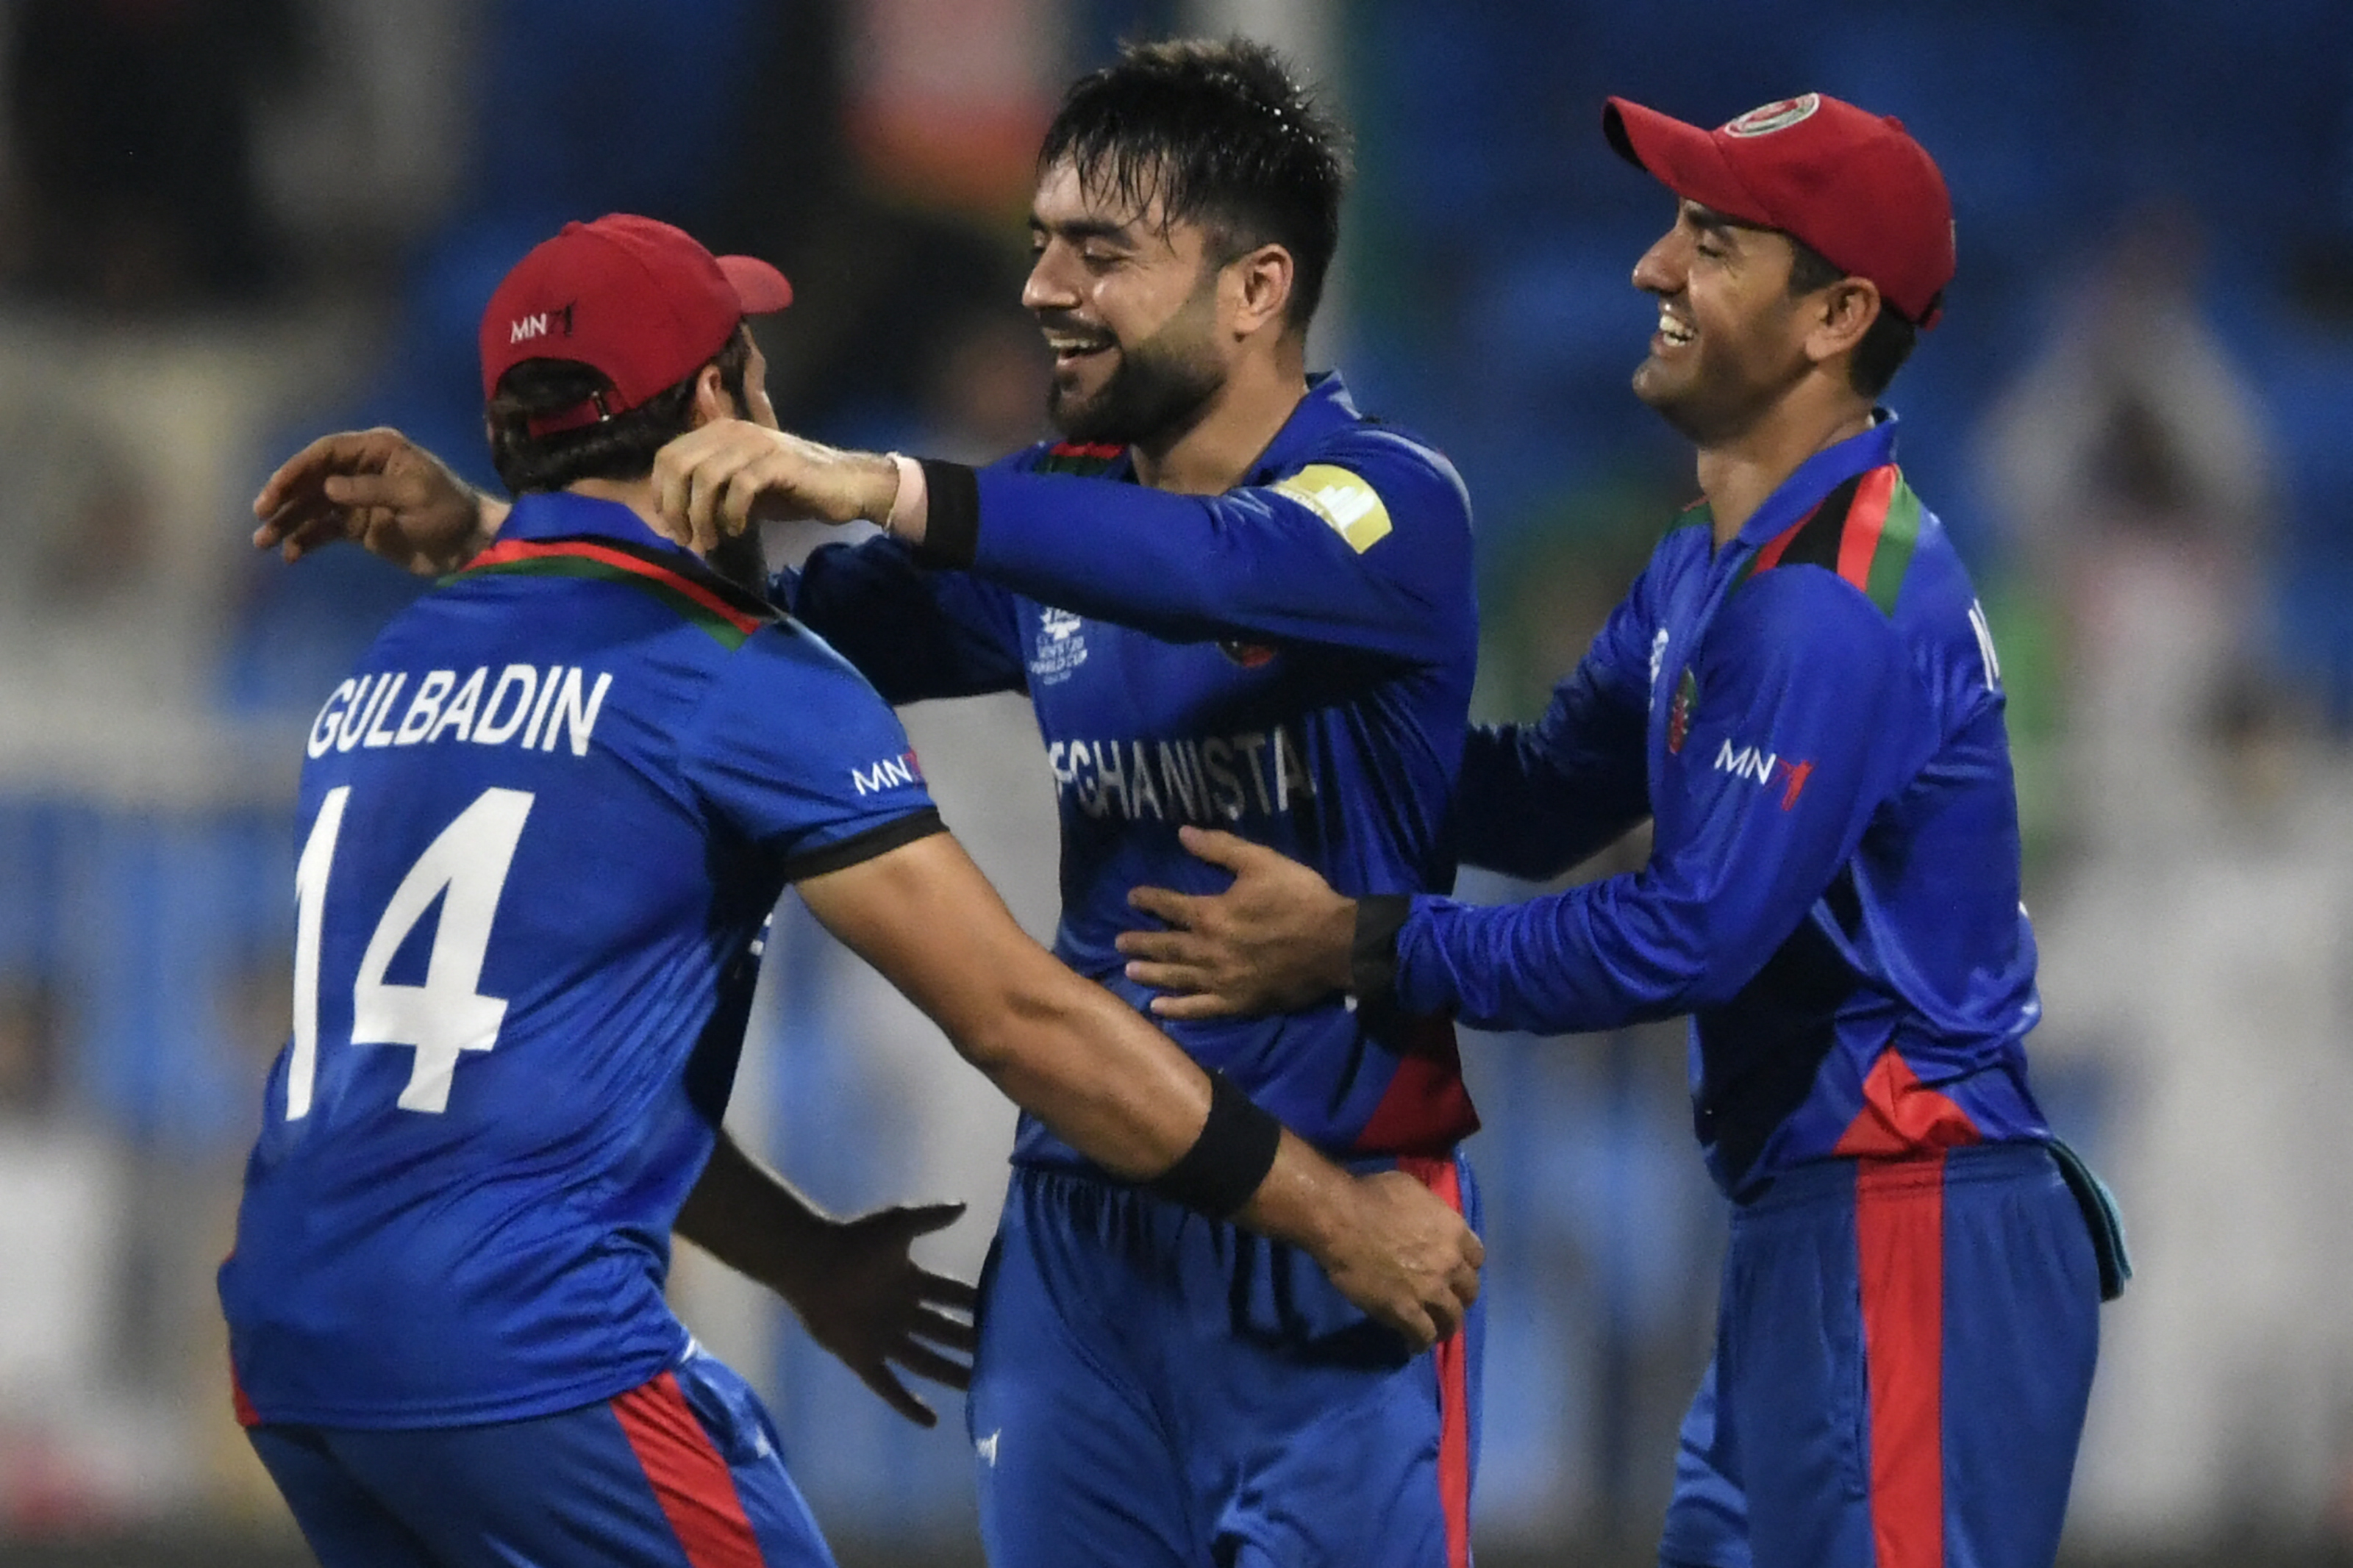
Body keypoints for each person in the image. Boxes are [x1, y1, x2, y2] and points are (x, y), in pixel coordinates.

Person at [255, 39, 1488, 1568]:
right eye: (1037, 240)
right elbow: (720, 660)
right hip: (1090, 1227)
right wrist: (522, 533)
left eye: (1094, 250)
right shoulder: (1021, 535)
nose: (1039, 285)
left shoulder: (1384, 504)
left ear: (1254, 288)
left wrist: (877, 483)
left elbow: (1218, 569)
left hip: (1332, 1225)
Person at [1110, 94, 2127, 1568]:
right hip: (1812, 1225)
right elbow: (1534, 798)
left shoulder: (1821, 607)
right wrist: (1297, 734)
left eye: (1710, 243)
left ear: (1835, 313)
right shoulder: (1709, 567)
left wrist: (1356, 942)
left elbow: (1686, 929)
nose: (1651, 268)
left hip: (1912, 1228)